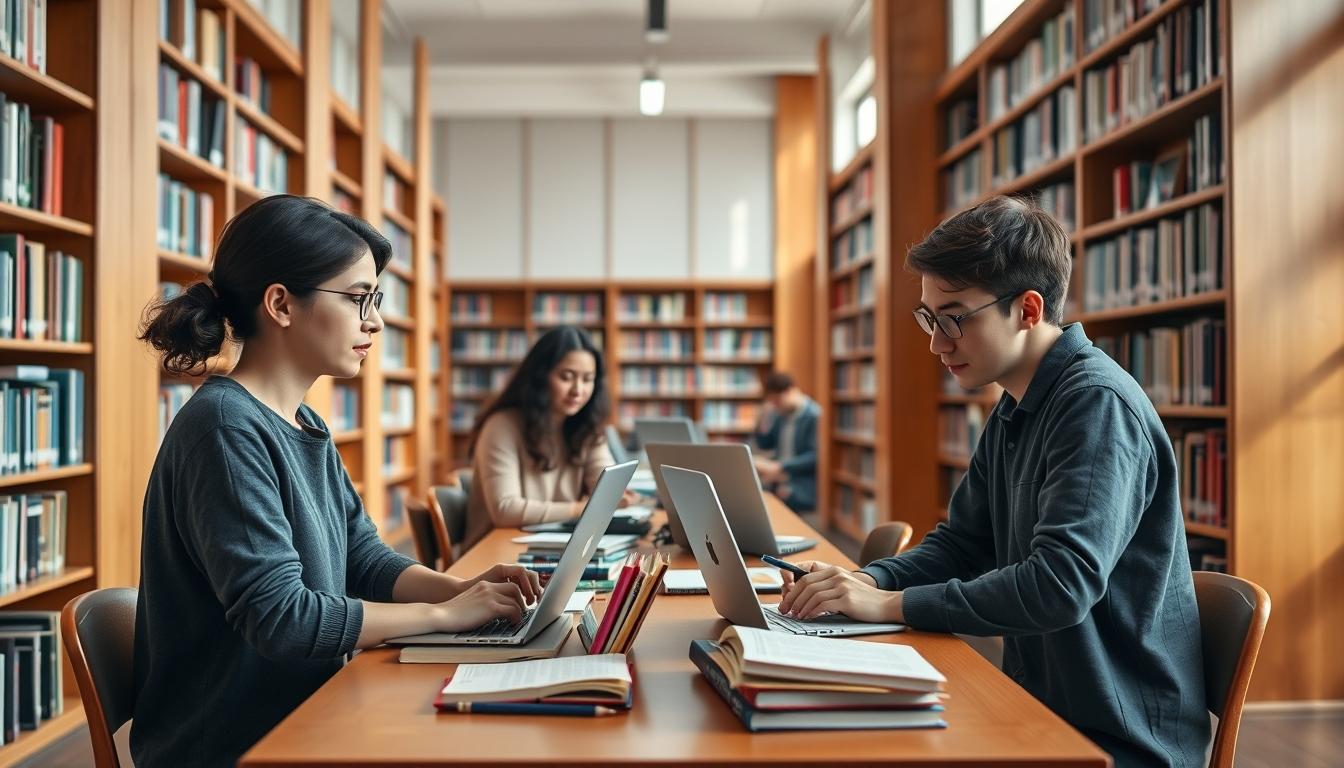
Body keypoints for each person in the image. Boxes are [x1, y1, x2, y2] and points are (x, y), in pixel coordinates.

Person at [777, 196, 1209, 767]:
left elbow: (1060, 585)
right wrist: (858, 582)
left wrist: (890, 604)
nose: (936, 342)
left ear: (1028, 309)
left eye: (954, 317)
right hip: (1041, 709)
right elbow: (963, 544)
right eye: (929, 318)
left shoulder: (1096, 407)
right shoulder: (1015, 405)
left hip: (1117, 739)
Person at [133, 195, 540, 768]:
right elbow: (283, 620)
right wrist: (446, 617)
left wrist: (464, 591)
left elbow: (364, 559)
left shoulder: (305, 423)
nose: (373, 320)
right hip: (233, 745)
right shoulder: (224, 427)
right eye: (357, 298)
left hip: (308, 714)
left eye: (373, 300)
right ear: (281, 304)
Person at [465, 325, 637, 546]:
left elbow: (604, 485)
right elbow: (505, 510)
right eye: (566, 377)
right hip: (493, 555)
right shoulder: (501, 426)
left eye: (587, 379)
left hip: (551, 545)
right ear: (540, 377)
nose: (578, 390)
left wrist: (615, 493)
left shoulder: (586, 426)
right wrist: (582, 507)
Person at [751, 371, 819, 512]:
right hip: (780, 476)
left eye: (776, 400)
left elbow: (815, 456)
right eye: (771, 402)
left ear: (790, 391)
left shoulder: (814, 416)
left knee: (777, 497)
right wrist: (762, 418)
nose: (774, 406)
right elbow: (765, 443)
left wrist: (780, 466)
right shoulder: (781, 416)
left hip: (802, 480)